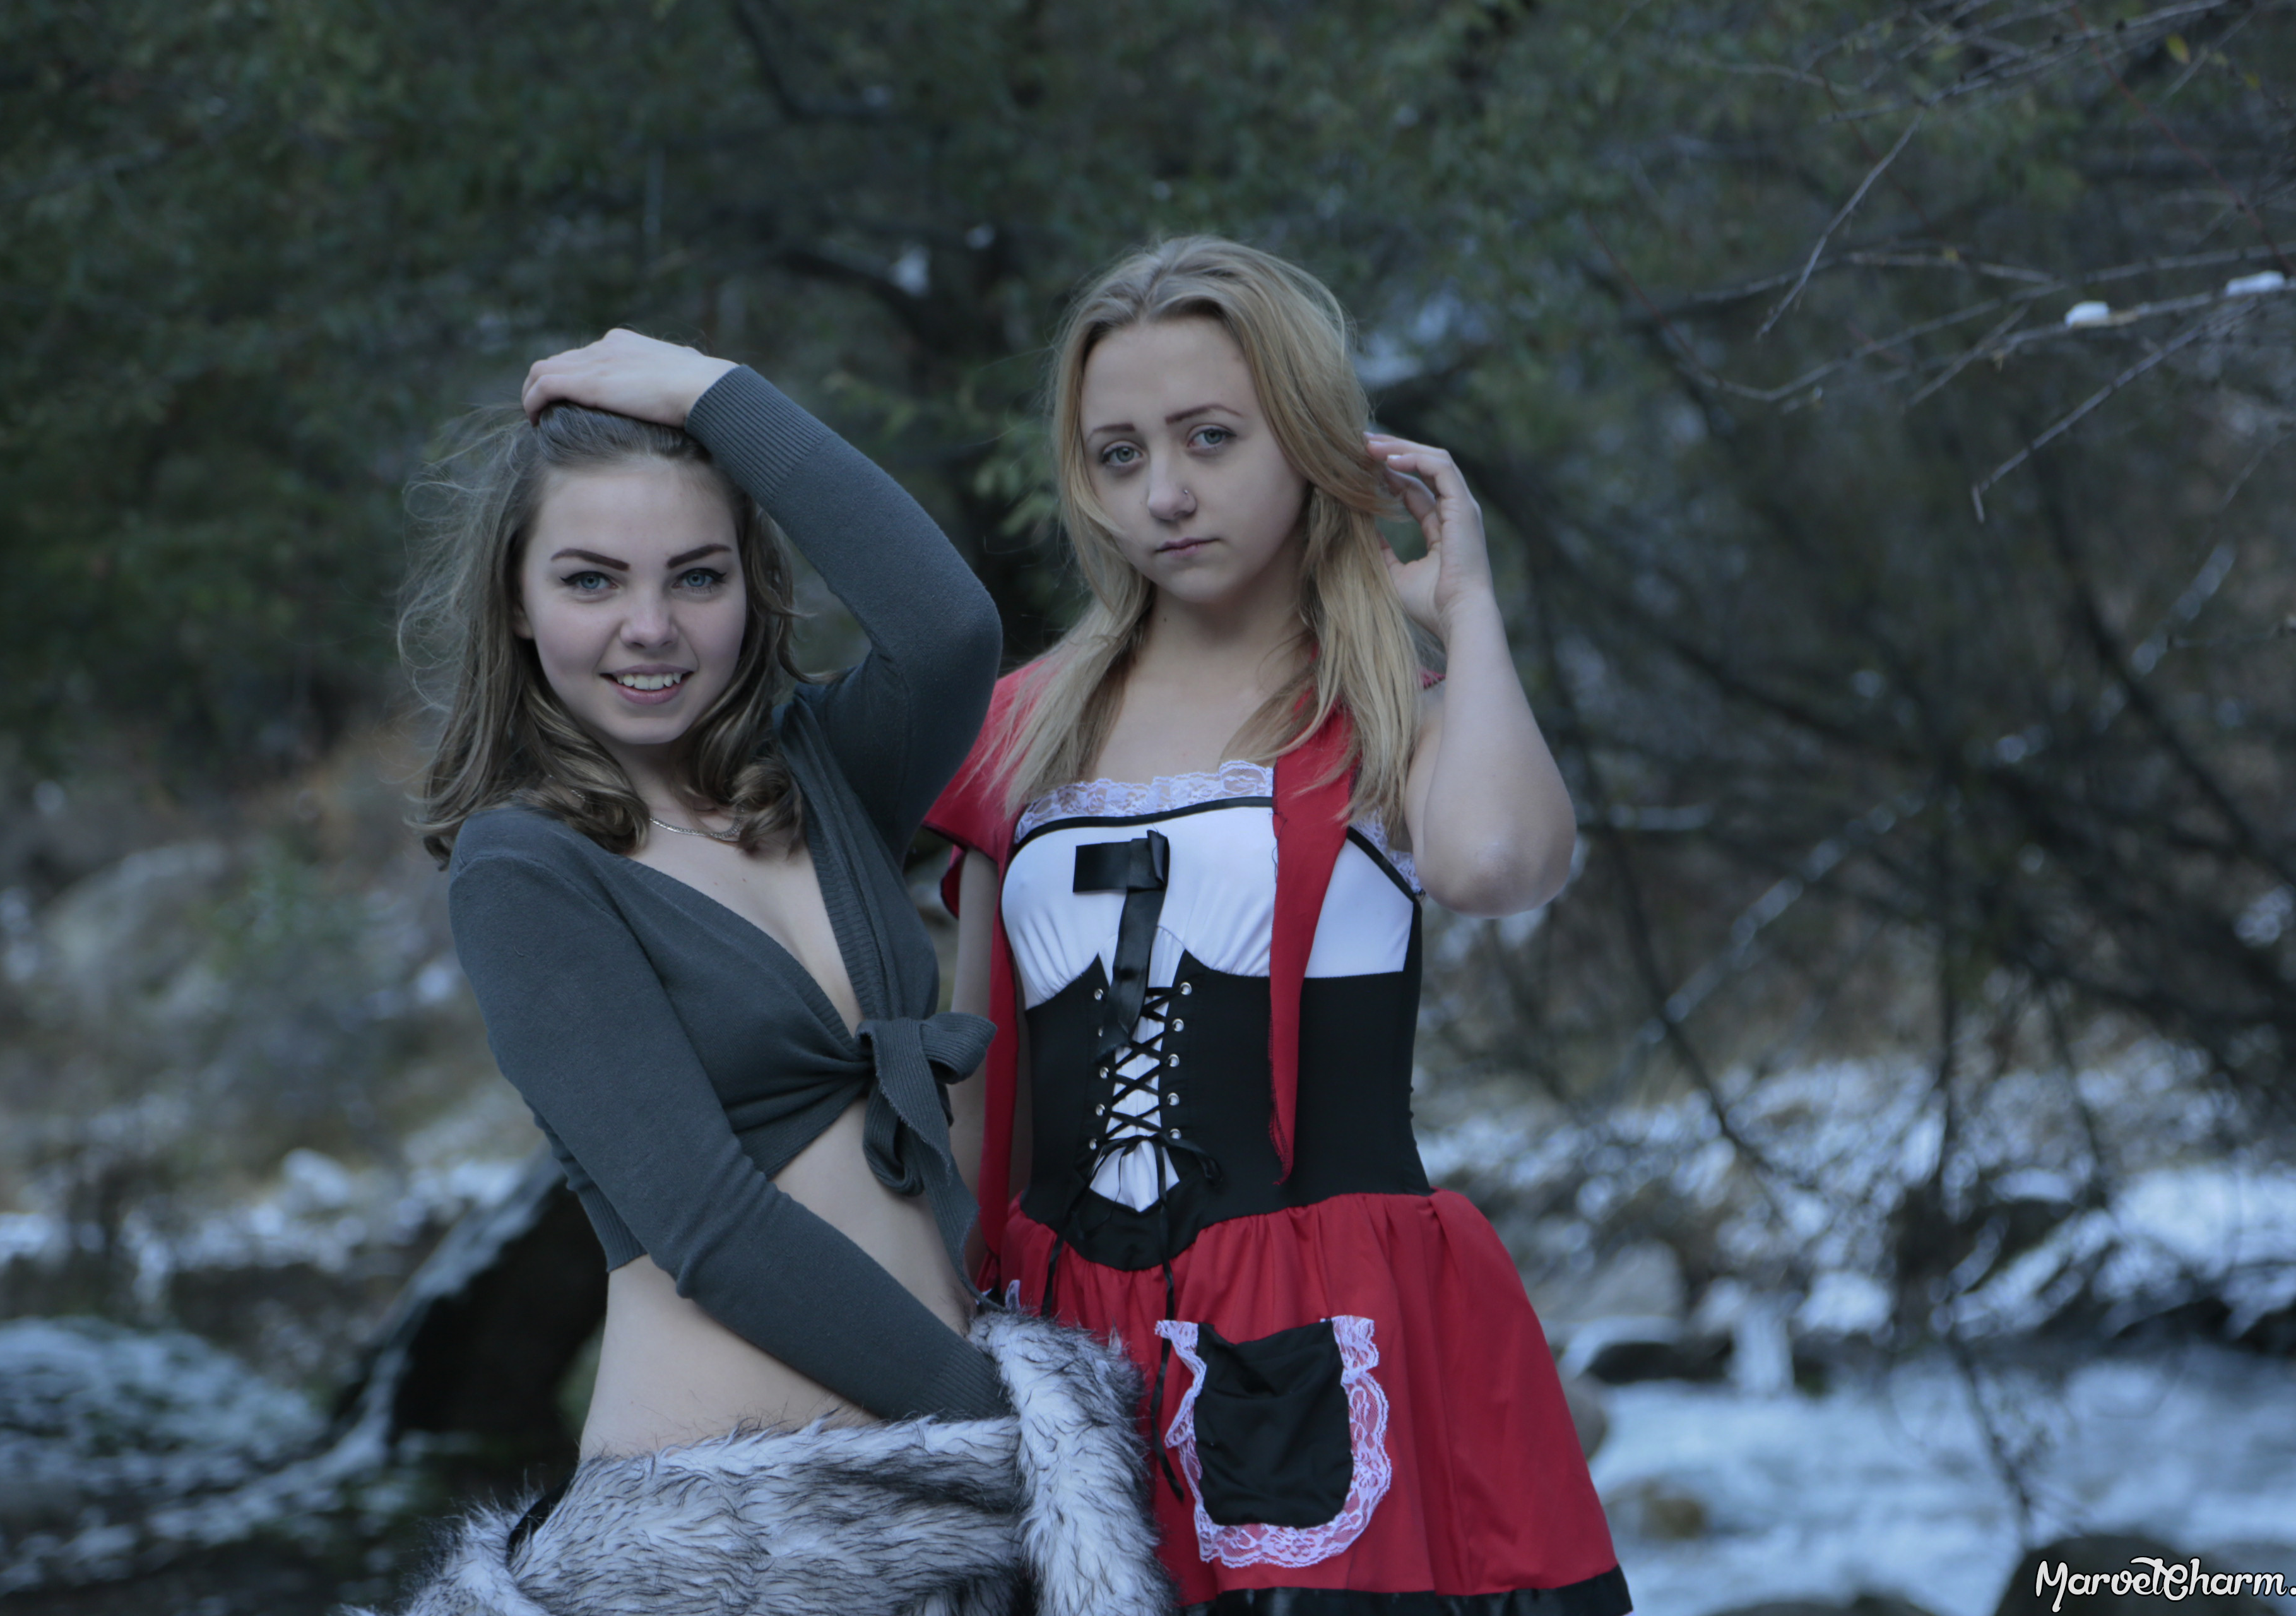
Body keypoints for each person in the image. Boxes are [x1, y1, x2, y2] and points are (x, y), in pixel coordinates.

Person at [377, 330, 1173, 1616]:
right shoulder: (523, 866)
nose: (650, 628)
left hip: (943, 1504)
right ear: (517, 602)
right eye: (590, 580)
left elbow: (949, 629)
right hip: (725, 1540)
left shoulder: (818, 770)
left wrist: (713, 394)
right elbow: (711, 1227)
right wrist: (1011, 1430)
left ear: (752, 587)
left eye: (697, 576)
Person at [930, 239, 1629, 1615]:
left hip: (1328, 1323)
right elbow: (972, 1092)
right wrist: (935, 1329)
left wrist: (1466, 609)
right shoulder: (1019, 723)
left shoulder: (1382, 706)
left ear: (1310, 441)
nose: (1165, 493)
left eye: (1211, 438)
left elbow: (1498, 863)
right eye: (1120, 454)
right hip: (1061, 1345)